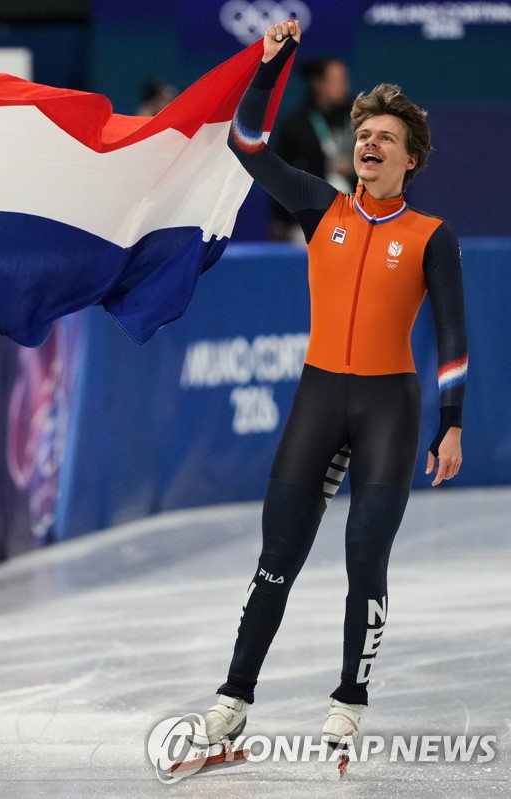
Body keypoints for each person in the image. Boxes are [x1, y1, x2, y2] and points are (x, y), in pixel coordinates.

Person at [191, 19, 467, 755]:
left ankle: (349, 700)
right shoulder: (323, 207)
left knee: (364, 560)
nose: (369, 143)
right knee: (275, 559)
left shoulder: (432, 235)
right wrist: (268, 63)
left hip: (388, 408)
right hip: (318, 399)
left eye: (385, 138)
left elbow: (452, 335)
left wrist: (452, 422)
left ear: (410, 158)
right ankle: (233, 698)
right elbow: (245, 143)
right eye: (363, 134)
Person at [270, 55, 356, 240]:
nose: (344, 86)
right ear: (318, 84)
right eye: (337, 80)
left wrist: (352, 171)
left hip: (356, 215)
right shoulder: (295, 126)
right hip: (308, 218)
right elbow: (279, 176)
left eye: (345, 80)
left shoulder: (358, 122)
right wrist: (280, 219)